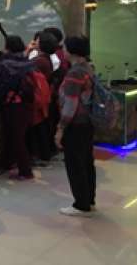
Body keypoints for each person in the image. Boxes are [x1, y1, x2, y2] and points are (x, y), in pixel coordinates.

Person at [55, 36, 96, 218]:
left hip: (76, 124)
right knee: (86, 162)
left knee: (75, 164)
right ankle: (89, 200)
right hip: (87, 122)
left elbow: (70, 105)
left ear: (71, 51)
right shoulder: (88, 68)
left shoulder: (75, 73)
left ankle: (81, 205)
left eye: (64, 48)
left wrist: (61, 128)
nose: (62, 50)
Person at [0, 35, 34, 180]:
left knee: (14, 137)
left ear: (7, 47)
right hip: (25, 104)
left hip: (9, 105)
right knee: (17, 136)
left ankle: (25, 170)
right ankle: (10, 163)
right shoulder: (28, 63)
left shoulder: (2, 65)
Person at [27, 31, 57, 167]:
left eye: (38, 40)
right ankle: (44, 154)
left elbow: (24, 68)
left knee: (37, 127)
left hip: (37, 97)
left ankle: (38, 155)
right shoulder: (46, 59)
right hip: (44, 96)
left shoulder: (39, 60)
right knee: (41, 126)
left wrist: (27, 51)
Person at [43, 27, 70, 153]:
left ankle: (51, 148)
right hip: (58, 94)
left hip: (54, 95)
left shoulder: (55, 56)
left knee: (51, 122)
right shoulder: (61, 54)